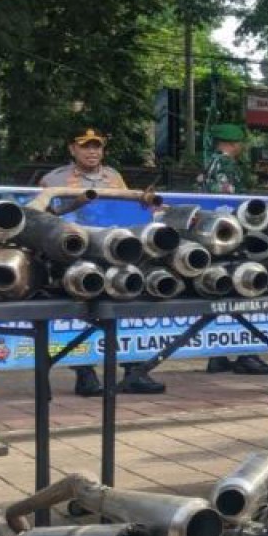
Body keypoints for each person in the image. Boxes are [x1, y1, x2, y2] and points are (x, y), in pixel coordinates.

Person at [39, 127, 165, 396]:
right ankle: (85, 374)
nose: (93, 151)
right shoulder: (54, 179)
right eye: (85, 146)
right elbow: (44, 217)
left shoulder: (113, 176)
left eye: (97, 146)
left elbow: (127, 207)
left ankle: (134, 371)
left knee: (124, 306)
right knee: (80, 313)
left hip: (113, 251)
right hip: (75, 252)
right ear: (72, 149)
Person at [199, 124, 268, 376]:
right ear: (233, 144)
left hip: (211, 234)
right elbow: (231, 202)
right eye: (241, 143)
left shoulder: (207, 164)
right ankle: (247, 354)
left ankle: (218, 355)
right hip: (231, 234)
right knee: (245, 288)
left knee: (221, 292)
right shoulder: (227, 166)